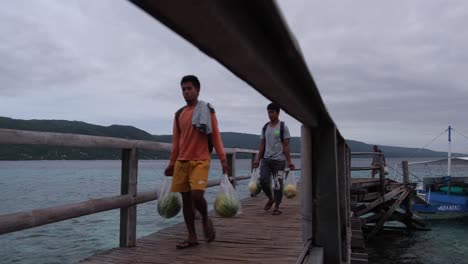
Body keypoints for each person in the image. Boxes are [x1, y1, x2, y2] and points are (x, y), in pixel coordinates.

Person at [164, 75, 229, 249]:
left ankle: (206, 219)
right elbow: (176, 142)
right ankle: (192, 237)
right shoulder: (179, 114)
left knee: (196, 195)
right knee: (186, 202)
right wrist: (171, 163)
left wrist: (223, 158)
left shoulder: (206, 110)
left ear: (198, 90)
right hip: (182, 161)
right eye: (183, 89)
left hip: (200, 159)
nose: (186, 92)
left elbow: (215, 134)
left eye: (189, 88)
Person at [253, 103, 295, 215]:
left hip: (279, 162)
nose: (270, 114)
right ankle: (270, 198)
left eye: (272, 112)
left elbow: (286, 145)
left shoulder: (283, 127)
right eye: (268, 112)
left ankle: (276, 206)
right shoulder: (265, 127)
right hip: (266, 160)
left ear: (278, 113)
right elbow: (262, 144)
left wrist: (289, 161)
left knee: (278, 184)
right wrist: (258, 159)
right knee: (263, 180)